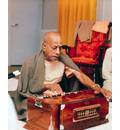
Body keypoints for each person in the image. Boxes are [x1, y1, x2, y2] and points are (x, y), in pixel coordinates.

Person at [14, 32, 112, 120]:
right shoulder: (30, 63)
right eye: (54, 47)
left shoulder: (63, 59)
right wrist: (49, 86)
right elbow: (26, 90)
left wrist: (96, 87)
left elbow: (80, 75)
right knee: (37, 113)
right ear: (44, 46)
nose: (58, 52)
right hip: (38, 96)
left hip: (58, 95)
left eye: (60, 47)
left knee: (79, 110)